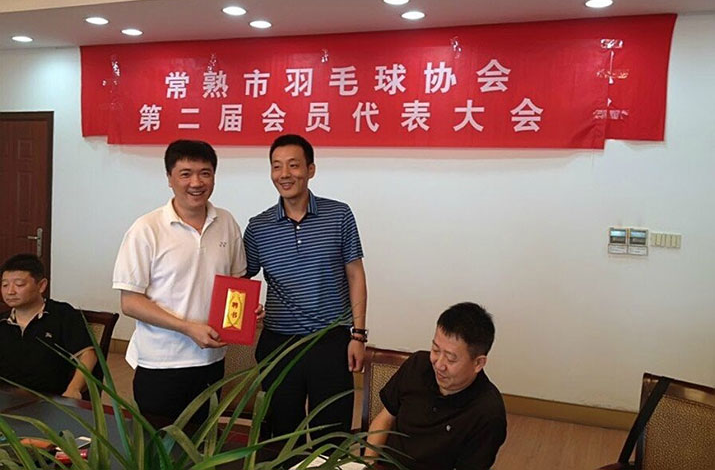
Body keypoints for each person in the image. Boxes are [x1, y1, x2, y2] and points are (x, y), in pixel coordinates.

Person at [113, 139, 258, 423]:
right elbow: (130, 302)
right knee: (159, 443)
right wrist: (187, 328)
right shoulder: (146, 229)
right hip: (161, 362)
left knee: (204, 439)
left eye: (205, 173)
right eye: (185, 174)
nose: (196, 182)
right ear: (169, 178)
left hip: (211, 360)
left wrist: (247, 311)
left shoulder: (226, 222)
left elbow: (237, 281)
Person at [244, 134, 368, 439]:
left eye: (293, 165)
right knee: (281, 433)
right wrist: (247, 311)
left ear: (310, 169)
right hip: (279, 343)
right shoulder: (258, 227)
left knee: (331, 432)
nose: (284, 174)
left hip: (330, 340)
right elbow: (239, 278)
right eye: (276, 166)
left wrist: (358, 335)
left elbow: (355, 275)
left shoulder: (339, 215)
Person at [366, 302, 507, 470]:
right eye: (435, 350)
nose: (439, 364)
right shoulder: (417, 365)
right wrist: (367, 465)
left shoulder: (488, 413)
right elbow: (385, 418)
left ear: (478, 363)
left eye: (450, 358)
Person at [0, 253, 97, 399]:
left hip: (51, 400)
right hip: (7, 399)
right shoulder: (3, 321)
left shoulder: (63, 314)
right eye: (5, 285)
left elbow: (88, 355)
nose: (10, 291)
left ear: (41, 286)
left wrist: (74, 389)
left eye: (19, 284)